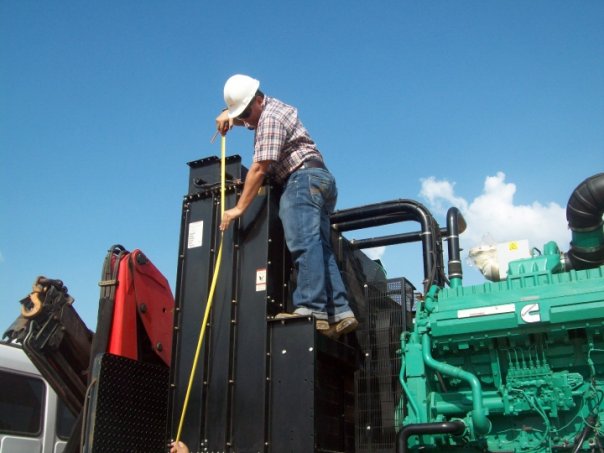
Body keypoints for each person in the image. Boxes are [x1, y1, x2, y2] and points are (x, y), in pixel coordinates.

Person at [216, 74, 358, 339]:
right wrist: (229, 115)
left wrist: (238, 209)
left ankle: (312, 310)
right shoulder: (266, 111)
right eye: (242, 114)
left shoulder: (269, 118)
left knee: (304, 243)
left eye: (246, 112)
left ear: (259, 99)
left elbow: (259, 168)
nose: (246, 119)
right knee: (320, 247)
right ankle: (340, 311)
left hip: (301, 180)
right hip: (319, 179)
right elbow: (247, 119)